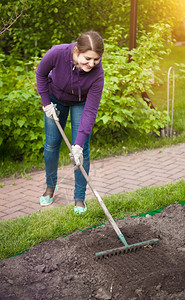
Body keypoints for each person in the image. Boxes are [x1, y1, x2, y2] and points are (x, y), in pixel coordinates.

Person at [36, 31, 104, 214]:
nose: (91, 64)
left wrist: (78, 144)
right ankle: (50, 187)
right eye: (87, 58)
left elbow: (90, 110)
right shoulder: (57, 53)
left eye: (96, 60)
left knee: (82, 151)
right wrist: (46, 103)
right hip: (55, 99)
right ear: (76, 50)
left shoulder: (97, 74)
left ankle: (79, 198)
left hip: (80, 104)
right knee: (51, 144)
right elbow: (41, 74)